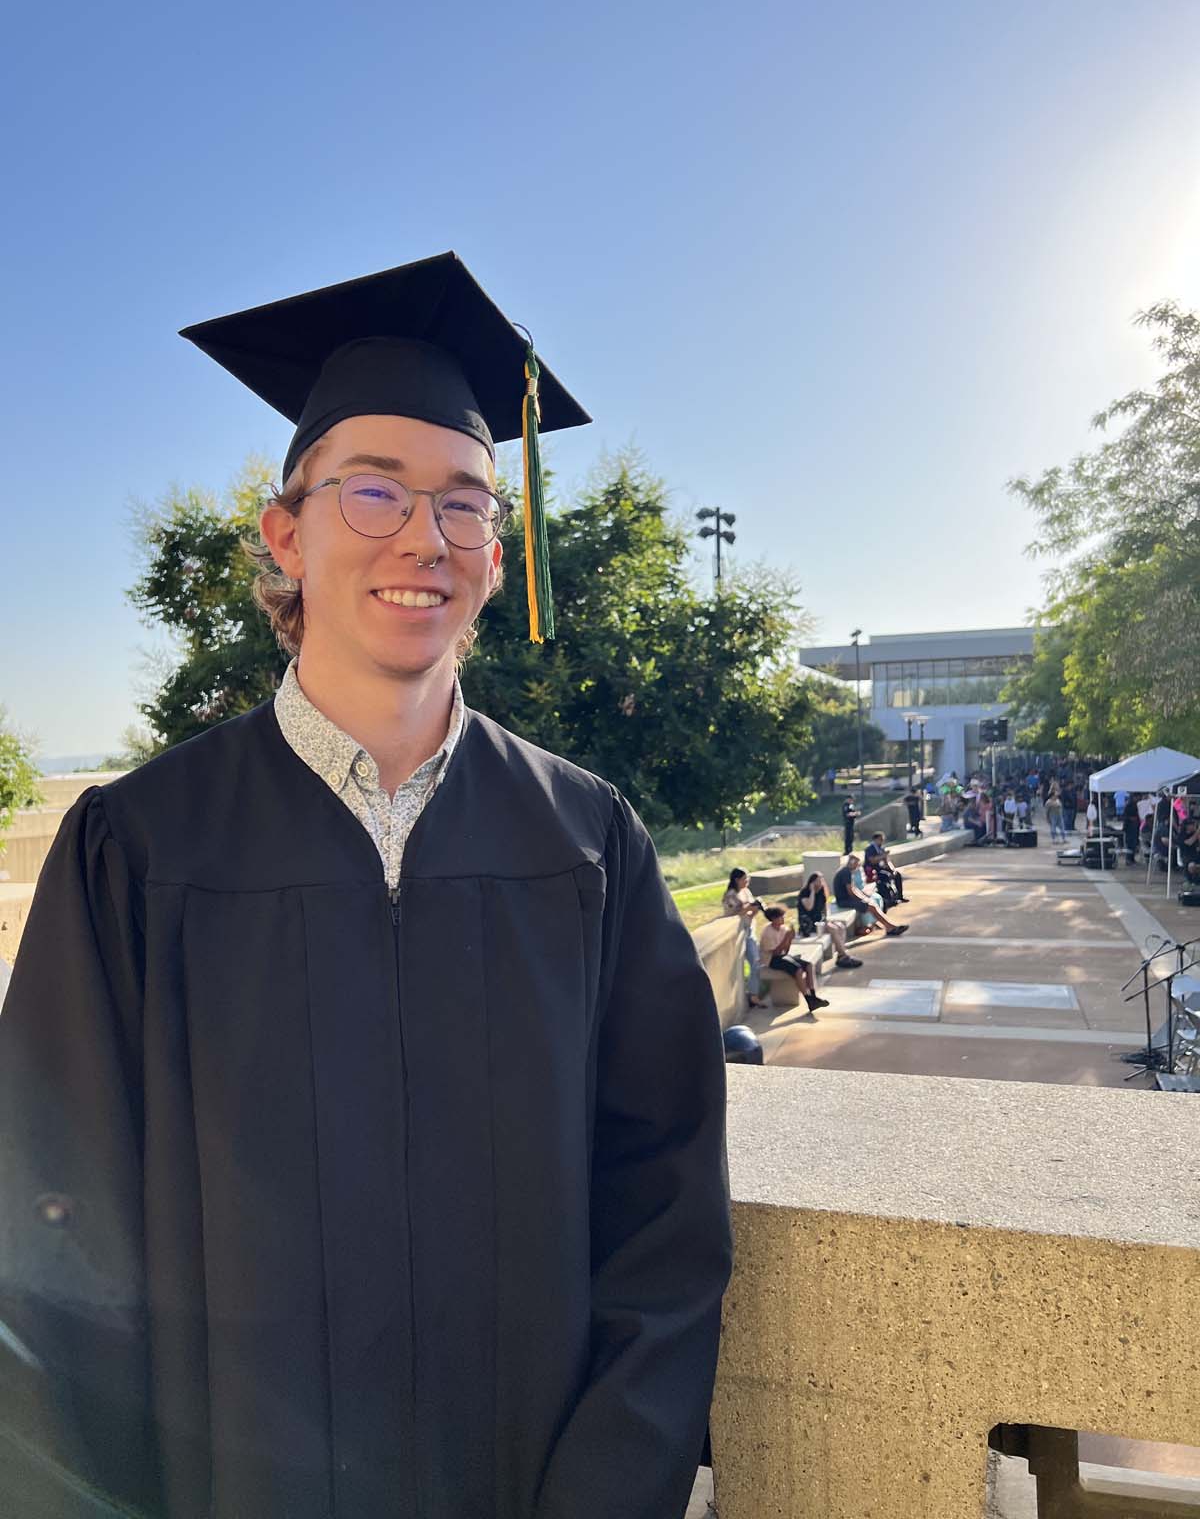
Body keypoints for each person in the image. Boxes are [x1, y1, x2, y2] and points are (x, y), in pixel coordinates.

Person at [0, 255, 733, 1519]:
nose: (422, 540)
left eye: (464, 506)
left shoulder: (587, 843)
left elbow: (663, 1216)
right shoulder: (138, 846)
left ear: (497, 557)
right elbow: (41, 1241)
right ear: (287, 533)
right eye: (375, 492)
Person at [756, 906, 828, 1010]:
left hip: (782, 956)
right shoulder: (767, 932)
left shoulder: (783, 928)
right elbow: (775, 953)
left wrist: (789, 939)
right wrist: (786, 937)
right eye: (780, 917)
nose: (783, 919)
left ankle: (813, 996)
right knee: (797, 969)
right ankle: (808, 999)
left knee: (808, 965)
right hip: (771, 959)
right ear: (773, 919)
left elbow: (785, 951)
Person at [797, 872, 863, 968]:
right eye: (818, 881)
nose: (820, 883)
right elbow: (809, 907)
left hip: (820, 922)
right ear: (812, 882)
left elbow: (824, 910)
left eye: (821, 880)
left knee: (840, 926)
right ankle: (844, 956)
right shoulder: (805, 893)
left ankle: (841, 955)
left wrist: (827, 920)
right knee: (833, 929)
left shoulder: (821, 892)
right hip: (808, 926)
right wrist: (812, 891)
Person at [832, 856, 909, 937]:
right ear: (852, 862)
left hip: (846, 899)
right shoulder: (846, 872)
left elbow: (854, 889)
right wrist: (863, 899)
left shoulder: (846, 871)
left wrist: (864, 896)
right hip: (844, 901)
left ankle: (887, 925)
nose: (857, 867)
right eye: (857, 864)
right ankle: (890, 927)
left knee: (873, 902)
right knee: (871, 906)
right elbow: (851, 891)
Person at [723, 866, 765, 1007]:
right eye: (744, 878)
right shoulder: (731, 895)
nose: (747, 881)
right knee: (752, 962)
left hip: (749, 930)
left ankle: (753, 993)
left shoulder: (746, 891)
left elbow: (749, 913)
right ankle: (752, 995)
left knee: (756, 962)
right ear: (736, 880)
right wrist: (748, 908)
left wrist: (756, 909)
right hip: (737, 933)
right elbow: (732, 915)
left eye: (748, 878)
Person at [863, 832, 908, 907]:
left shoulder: (881, 848)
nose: (882, 841)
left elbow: (887, 860)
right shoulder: (869, 849)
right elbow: (872, 860)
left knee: (897, 875)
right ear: (875, 839)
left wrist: (892, 869)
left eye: (882, 839)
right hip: (873, 871)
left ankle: (899, 896)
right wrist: (883, 855)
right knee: (886, 876)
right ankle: (889, 899)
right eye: (880, 839)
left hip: (881, 868)